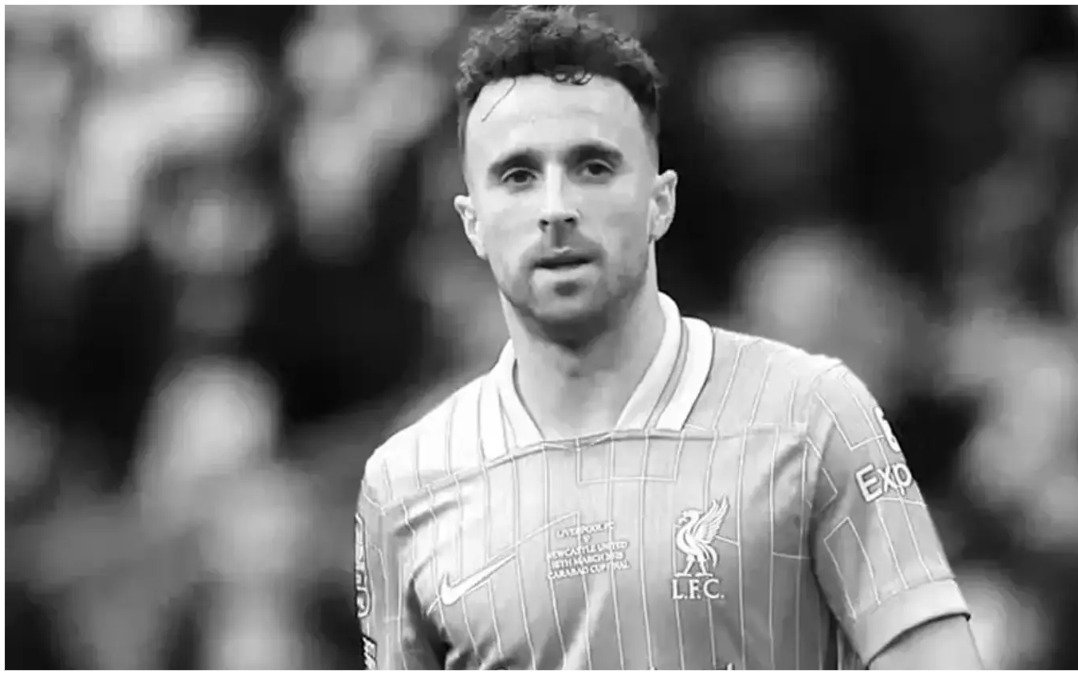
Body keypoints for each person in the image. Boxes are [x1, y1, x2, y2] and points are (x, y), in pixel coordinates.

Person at [355, 6, 981, 669]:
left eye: (594, 167)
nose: (556, 208)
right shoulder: (404, 482)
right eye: (518, 175)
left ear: (661, 201)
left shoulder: (813, 414)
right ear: (472, 221)